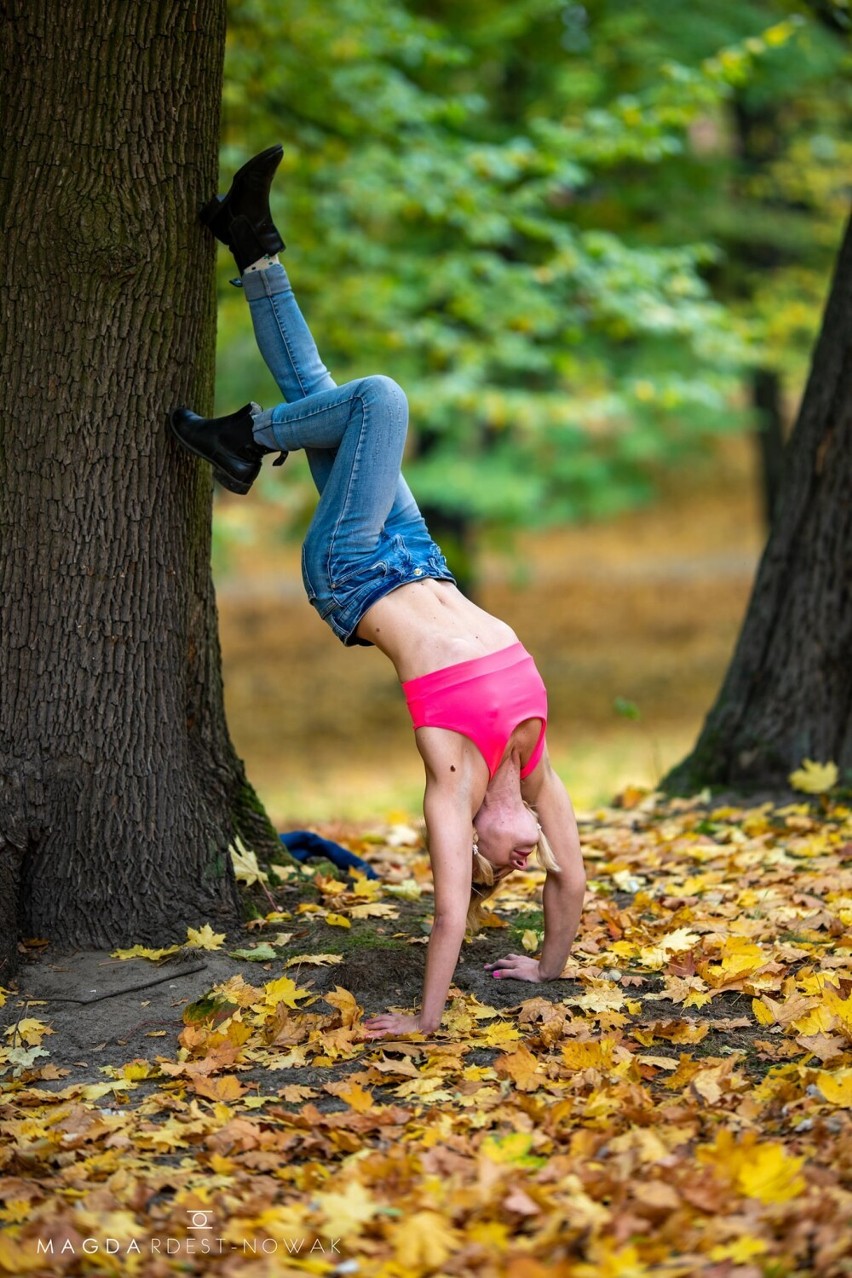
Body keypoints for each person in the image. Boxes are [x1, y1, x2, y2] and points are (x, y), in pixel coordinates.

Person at [171, 146, 586, 1038]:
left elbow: (444, 919)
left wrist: (427, 1024)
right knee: (330, 397)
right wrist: (548, 969)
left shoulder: (453, 777)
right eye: (522, 865)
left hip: (354, 572)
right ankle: (251, 247)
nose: (518, 865)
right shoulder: (535, 767)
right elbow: (572, 884)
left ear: (474, 842)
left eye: (498, 870)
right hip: (420, 552)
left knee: (379, 401)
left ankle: (243, 440)